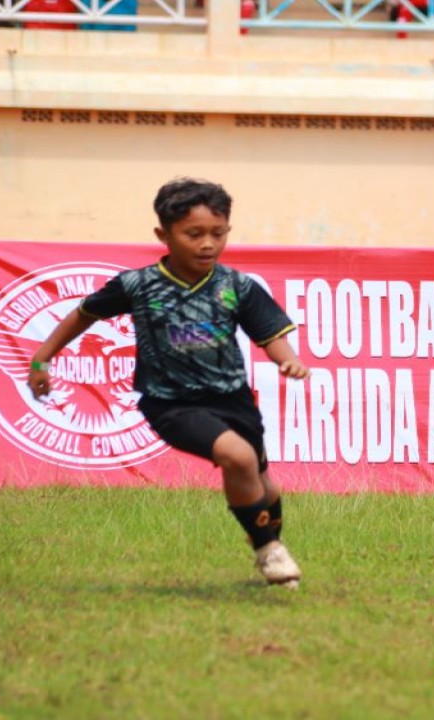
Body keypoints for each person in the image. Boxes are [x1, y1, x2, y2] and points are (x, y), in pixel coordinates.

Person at [26, 178, 310, 588]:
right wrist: (42, 357)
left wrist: (288, 360)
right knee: (239, 458)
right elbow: (84, 314)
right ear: (164, 235)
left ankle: (268, 543)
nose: (208, 244)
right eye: (194, 234)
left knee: (260, 479)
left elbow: (269, 333)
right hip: (171, 403)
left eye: (218, 233)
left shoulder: (237, 286)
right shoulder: (137, 285)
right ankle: (269, 551)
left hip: (233, 400)